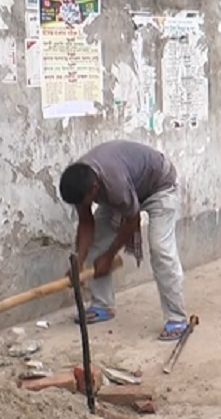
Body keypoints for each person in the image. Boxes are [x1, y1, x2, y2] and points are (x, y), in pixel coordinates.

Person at [58, 140, 190, 341]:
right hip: (130, 187)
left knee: (161, 249)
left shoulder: (114, 183)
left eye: (86, 201)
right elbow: (86, 222)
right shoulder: (80, 182)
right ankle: (102, 305)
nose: (84, 205)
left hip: (159, 186)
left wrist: (109, 257)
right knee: (96, 244)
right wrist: (80, 259)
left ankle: (177, 318)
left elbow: (132, 220)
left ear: (94, 189)